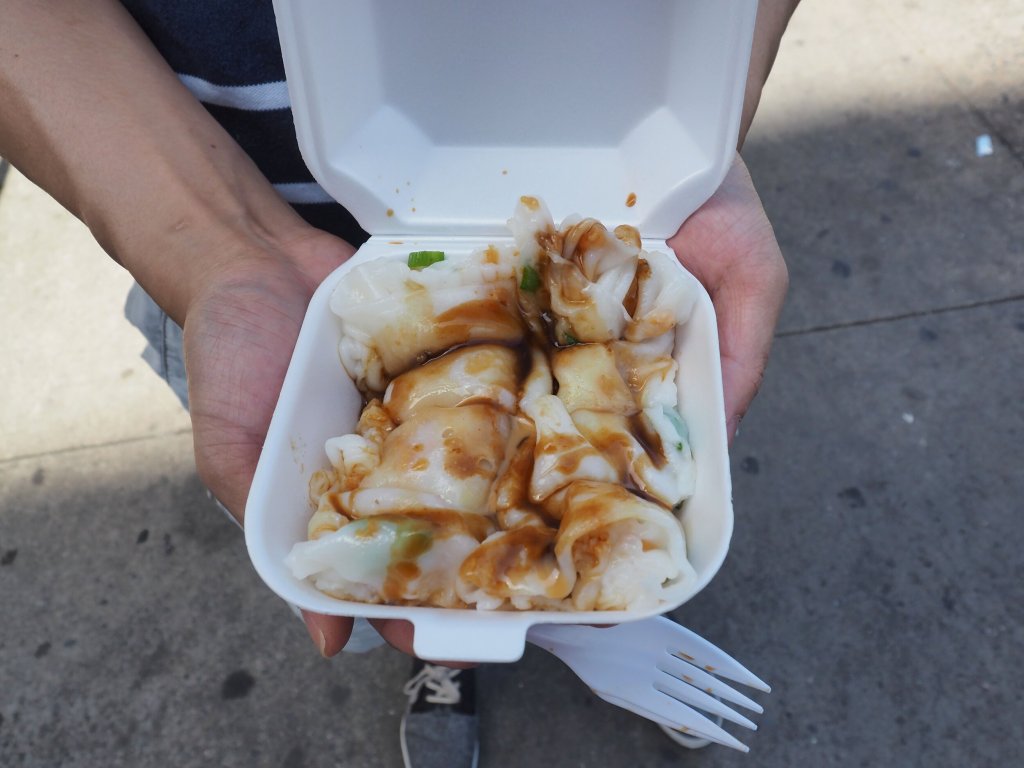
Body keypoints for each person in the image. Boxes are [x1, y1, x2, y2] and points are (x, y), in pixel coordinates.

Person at [0, 1, 796, 764]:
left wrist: (689, 141)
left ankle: (608, 608)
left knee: (582, 544)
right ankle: (476, 632)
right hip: (230, 193)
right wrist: (216, 246)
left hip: (608, 146)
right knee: (408, 587)